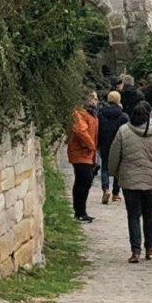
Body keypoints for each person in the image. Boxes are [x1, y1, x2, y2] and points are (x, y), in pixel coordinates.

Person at [109, 101, 152, 263]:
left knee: (133, 215)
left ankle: (135, 250)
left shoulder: (123, 132)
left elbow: (114, 155)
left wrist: (114, 173)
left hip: (129, 181)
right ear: (149, 115)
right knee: (149, 214)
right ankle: (149, 246)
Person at [68, 91, 100, 223]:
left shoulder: (91, 114)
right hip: (81, 152)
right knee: (84, 181)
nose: (96, 101)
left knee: (85, 182)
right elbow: (81, 131)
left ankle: (81, 211)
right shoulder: (79, 113)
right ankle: (79, 212)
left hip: (87, 153)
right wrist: (91, 145)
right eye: (94, 98)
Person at [98, 91, 129, 204]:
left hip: (104, 144)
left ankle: (106, 189)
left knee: (105, 167)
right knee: (118, 170)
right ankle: (115, 193)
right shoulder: (123, 116)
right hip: (119, 145)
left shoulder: (101, 114)